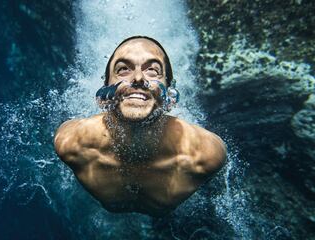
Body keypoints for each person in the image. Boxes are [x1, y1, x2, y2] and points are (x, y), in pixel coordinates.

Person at [54, 36, 226, 217]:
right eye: (123, 69)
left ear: (171, 98)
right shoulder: (72, 144)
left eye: (152, 70)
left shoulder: (205, 156)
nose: (137, 78)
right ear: (103, 95)